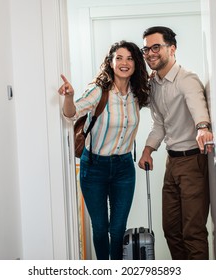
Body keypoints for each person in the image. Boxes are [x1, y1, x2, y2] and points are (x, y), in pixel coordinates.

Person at [58, 40, 150, 260]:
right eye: (119, 58)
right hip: (95, 168)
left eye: (129, 58)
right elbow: (70, 114)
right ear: (111, 62)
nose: (124, 63)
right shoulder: (98, 91)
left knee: (117, 229)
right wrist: (69, 97)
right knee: (100, 229)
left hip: (124, 169)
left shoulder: (138, 93)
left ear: (136, 64)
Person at [138, 26, 213, 260]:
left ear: (172, 49)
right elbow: (159, 123)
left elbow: (197, 105)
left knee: (193, 232)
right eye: (146, 48)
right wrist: (148, 150)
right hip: (172, 163)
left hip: (192, 162)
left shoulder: (186, 78)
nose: (150, 53)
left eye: (156, 47)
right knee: (171, 230)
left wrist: (203, 127)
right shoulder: (155, 86)